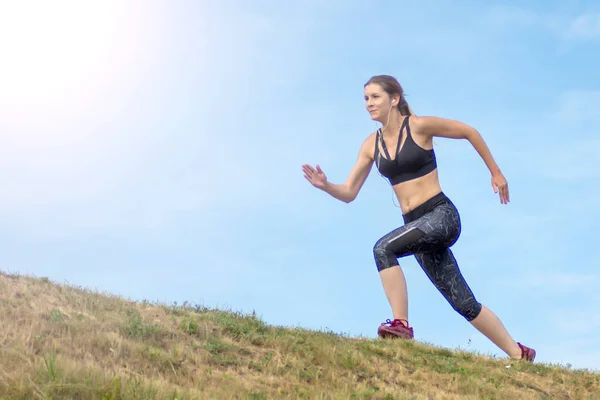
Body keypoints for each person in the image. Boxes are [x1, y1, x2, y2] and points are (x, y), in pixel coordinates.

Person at [301, 75, 536, 362]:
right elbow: (350, 192)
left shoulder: (419, 126)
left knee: (383, 248)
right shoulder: (370, 145)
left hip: (441, 216)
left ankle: (401, 324)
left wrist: (496, 172)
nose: (369, 104)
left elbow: (469, 131)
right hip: (415, 227)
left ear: (394, 99)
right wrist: (326, 186)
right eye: (365, 99)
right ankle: (518, 354)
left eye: (375, 97)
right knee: (464, 303)